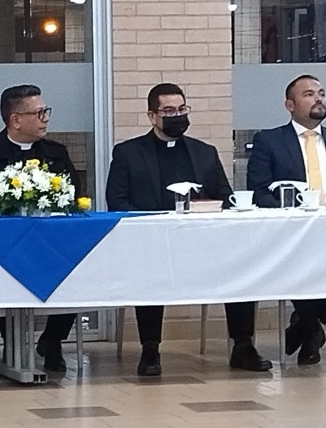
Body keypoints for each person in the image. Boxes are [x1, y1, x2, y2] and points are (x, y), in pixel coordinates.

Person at [106, 83, 272, 376]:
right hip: (153, 245)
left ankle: (243, 346)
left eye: (182, 109)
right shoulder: (128, 153)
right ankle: (149, 350)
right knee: (150, 270)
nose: (177, 115)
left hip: (204, 246)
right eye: (169, 111)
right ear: (151, 115)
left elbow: (226, 196)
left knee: (242, 265)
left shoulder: (204, 152)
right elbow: (117, 202)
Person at [0, 84, 79, 372]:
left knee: (77, 269)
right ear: (16, 120)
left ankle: (52, 339)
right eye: (39, 113)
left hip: (51, 244)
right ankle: (12, 344)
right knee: (4, 272)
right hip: (4, 248)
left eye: (45, 111)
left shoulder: (57, 153)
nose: (46, 118)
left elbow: (75, 196)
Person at [247, 74, 326, 365]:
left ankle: (304, 325)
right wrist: (292, 209)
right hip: (292, 230)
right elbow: (259, 192)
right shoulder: (269, 141)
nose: (318, 98)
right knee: (299, 264)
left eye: (321, 93)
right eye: (309, 94)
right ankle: (310, 330)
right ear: (290, 104)